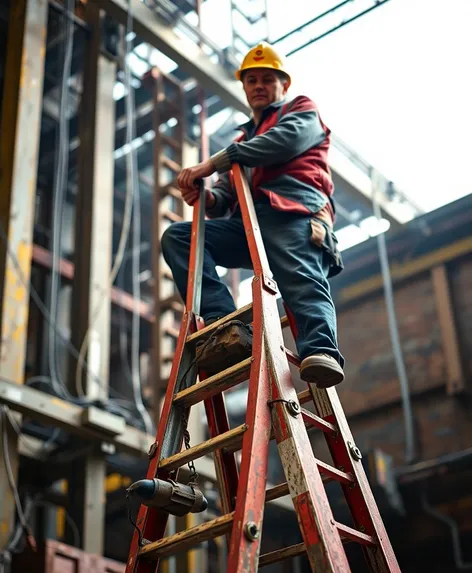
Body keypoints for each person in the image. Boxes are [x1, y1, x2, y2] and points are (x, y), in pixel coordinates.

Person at [161, 42, 345, 389]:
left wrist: (214, 162)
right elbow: (227, 195)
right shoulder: (246, 137)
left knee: (301, 278)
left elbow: (283, 143)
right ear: (244, 87)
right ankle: (220, 322)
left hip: (293, 213)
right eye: (252, 80)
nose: (259, 85)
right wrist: (208, 197)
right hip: (250, 224)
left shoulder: (301, 111)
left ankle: (321, 349)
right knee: (180, 237)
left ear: (283, 85)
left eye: (267, 79)